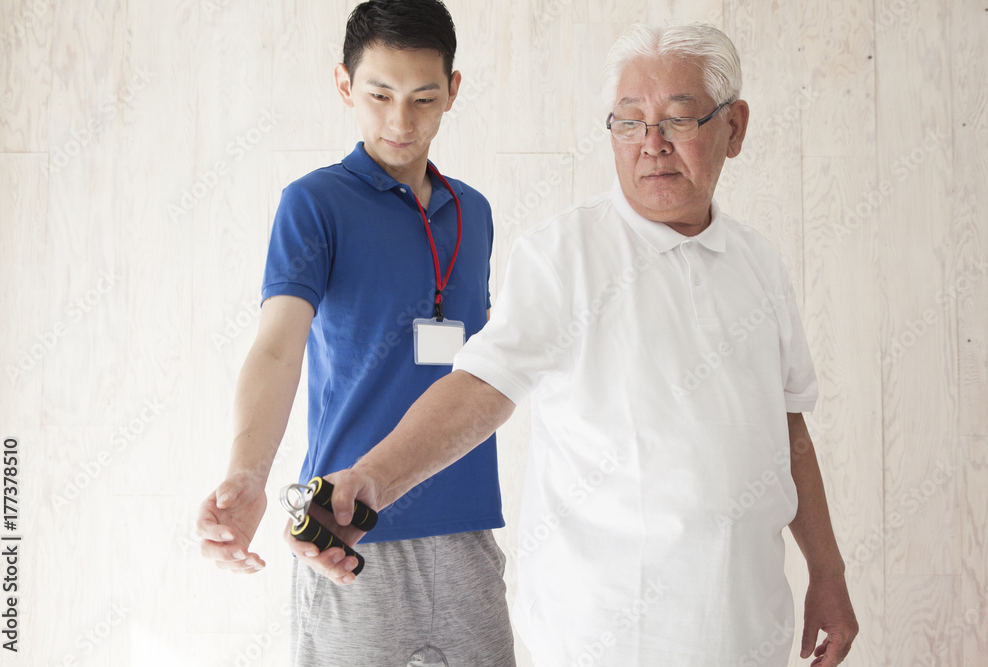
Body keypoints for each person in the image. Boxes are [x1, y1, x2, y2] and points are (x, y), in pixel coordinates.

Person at [317, 22, 859, 667]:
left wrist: (828, 573)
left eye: (678, 120)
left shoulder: (759, 263)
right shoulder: (564, 255)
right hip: (603, 637)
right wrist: (368, 482)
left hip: (745, 630)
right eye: (628, 122)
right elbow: (481, 388)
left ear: (734, 128)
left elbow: (789, 428)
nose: (650, 145)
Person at [195, 1, 516, 665]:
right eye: (379, 95)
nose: (401, 121)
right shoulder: (314, 203)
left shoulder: (473, 212)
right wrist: (247, 473)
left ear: (453, 92)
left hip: (468, 529)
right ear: (344, 86)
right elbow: (278, 346)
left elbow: (485, 367)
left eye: (424, 98)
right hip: (346, 530)